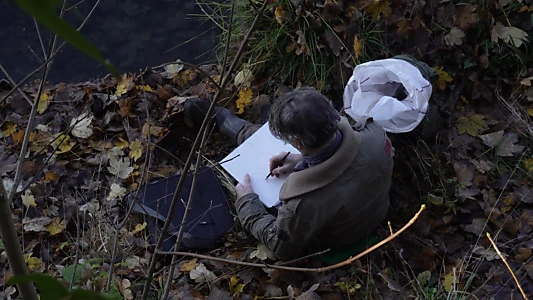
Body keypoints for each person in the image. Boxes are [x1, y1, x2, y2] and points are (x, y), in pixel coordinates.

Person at [184, 87, 394, 260]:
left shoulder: (302, 203)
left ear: (298, 143)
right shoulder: (376, 134)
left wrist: (247, 203)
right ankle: (230, 125)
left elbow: (280, 247)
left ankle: (234, 126)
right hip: (375, 210)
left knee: (240, 185)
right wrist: (304, 160)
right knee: (267, 140)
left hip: (338, 240)